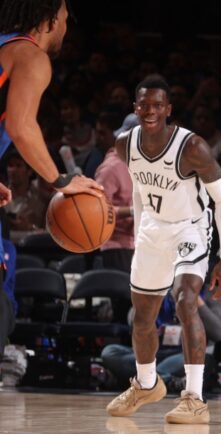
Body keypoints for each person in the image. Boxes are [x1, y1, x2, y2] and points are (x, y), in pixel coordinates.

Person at [105, 76, 221, 425]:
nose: (150, 111)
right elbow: (137, 188)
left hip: (190, 228)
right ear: (136, 108)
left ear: (168, 110)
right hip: (152, 231)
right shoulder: (124, 145)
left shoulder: (192, 147)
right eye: (144, 105)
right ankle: (147, 384)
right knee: (143, 315)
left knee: (185, 300)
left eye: (157, 105)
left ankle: (194, 398)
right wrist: (139, 226)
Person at [0, 0, 102, 306]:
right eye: (65, 18)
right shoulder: (30, 56)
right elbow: (21, 127)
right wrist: (61, 180)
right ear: (50, 20)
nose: (66, 27)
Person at [93, 112, 134, 272]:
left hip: (140, 244)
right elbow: (98, 211)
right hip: (116, 247)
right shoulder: (111, 168)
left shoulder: (141, 166)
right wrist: (133, 211)